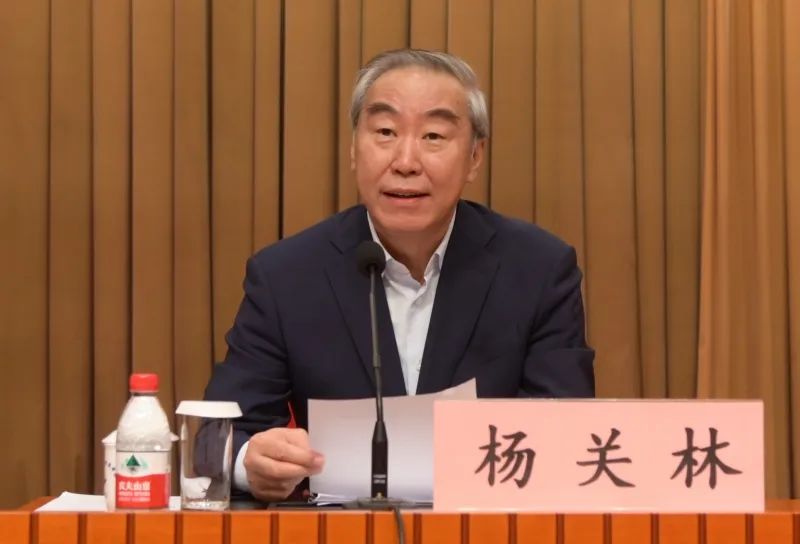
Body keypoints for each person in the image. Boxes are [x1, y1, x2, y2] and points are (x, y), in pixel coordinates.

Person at [204, 49, 595, 502]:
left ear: (474, 157)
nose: (406, 161)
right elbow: (220, 433)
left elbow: (563, 428)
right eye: (385, 132)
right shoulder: (286, 275)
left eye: (433, 136)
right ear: (354, 149)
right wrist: (251, 462)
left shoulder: (538, 269)